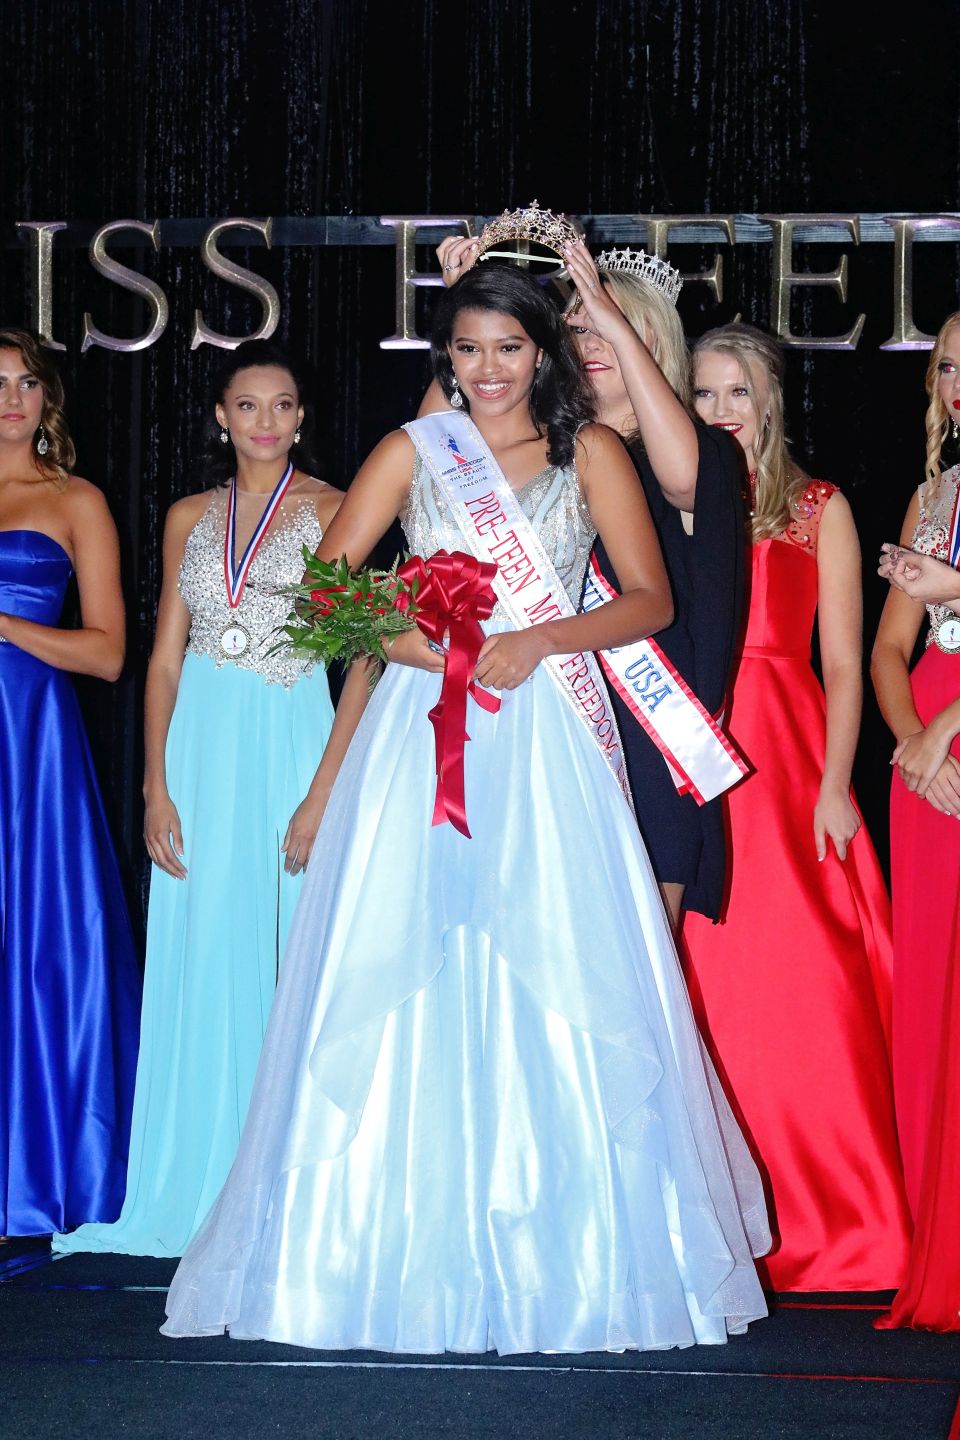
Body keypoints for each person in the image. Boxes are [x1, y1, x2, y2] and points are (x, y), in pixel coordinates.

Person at [162, 264, 769, 1353]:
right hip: (423, 735)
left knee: (554, 960)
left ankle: (569, 1253)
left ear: (542, 353)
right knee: (410, 954)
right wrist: (419, 649)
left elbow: (650, 600)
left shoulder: (592, 453)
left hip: (549, 735)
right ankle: (382, 1248)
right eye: (469, 349)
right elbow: (322, 593)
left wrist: (541, 638)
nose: (489, 370)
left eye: (510, 348)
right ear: (446, 354)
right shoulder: (412, 451)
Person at [55, 341, 343, 1259]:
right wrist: (154, 782)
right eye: (247, 405)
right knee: (205, 946)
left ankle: (287, 1191)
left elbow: (367, 657)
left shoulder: (336, 507)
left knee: (290, 945)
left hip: (293, 735)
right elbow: (165, 660)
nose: (266, 421)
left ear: (302, 417)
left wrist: (323, 791)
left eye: (282, 404)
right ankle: (198, 1177)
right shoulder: (188, 515)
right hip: (201, 749)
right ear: (221, 417)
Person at [681, 322, 910, 1292]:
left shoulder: (820, 508)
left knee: (808, 984)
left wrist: (835, 785)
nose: (721, 410)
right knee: (706, 983)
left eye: (738, 392)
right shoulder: (673, 499)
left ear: (771, 399)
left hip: (787, 756)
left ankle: (842, 1219)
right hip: (691, 748)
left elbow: (849, 663)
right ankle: (717, 1227)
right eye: (703, 393)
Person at [431, 234, 745, 929]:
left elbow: (686, 482)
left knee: (639, 957)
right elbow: (431, 463)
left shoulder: (692, 451)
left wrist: (607, 314)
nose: (593, 338)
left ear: (654, 343)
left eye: (614, 323)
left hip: (647, 717)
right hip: (542, 715)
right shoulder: (538, 448)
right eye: (575, 328)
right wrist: (465, 305)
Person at [0, 327, 140, 1236]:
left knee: (36, 948)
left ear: (47, 398)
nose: (11, 399)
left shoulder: (74, 500)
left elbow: (109, 654)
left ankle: (35, 1176)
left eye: (25, 383)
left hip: (30, 746)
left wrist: (7, 628)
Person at [872, 311, 960, 1331]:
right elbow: (892, 646)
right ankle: (941, 1249)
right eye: (947, 367)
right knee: (932, 995)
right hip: (926, 766)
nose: (958, 383)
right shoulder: (932, 496)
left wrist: (943, 733)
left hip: (952, 737)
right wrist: (911, 743)